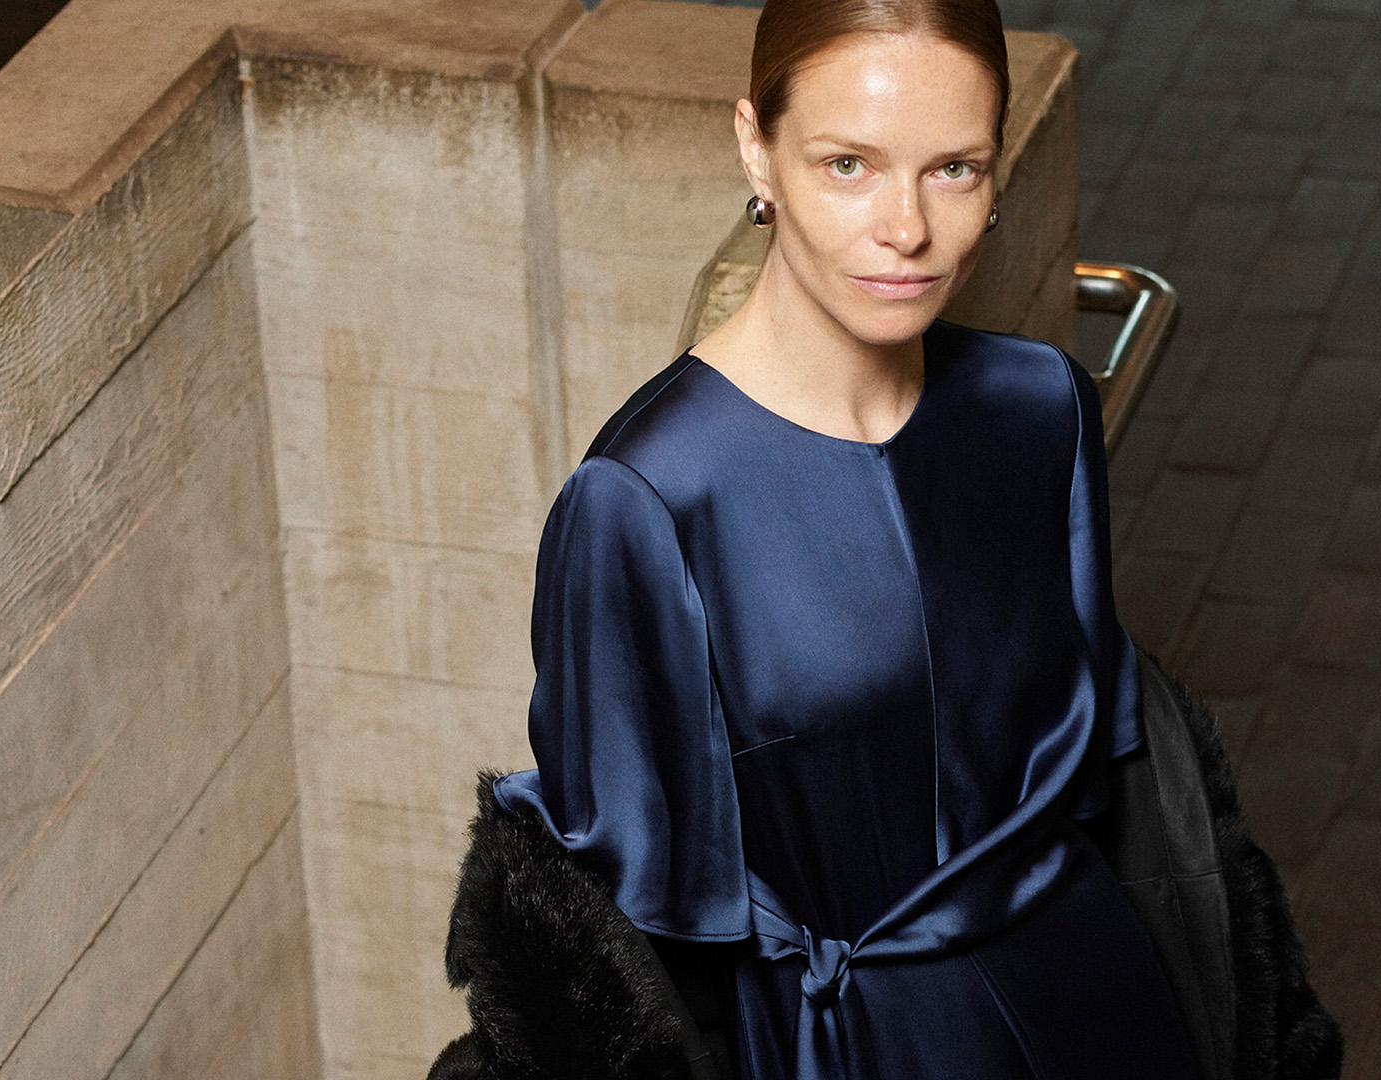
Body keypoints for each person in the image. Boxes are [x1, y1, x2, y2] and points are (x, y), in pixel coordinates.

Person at [485, 1, 1204, 1077]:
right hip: (836, 1051)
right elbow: (623, 950)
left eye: (953, 169)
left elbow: (1110, 779)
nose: (906, 229)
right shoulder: (647, 498)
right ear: (755, 149)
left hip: (1094, 1006)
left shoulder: (1039, 408)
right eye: (848, 165)